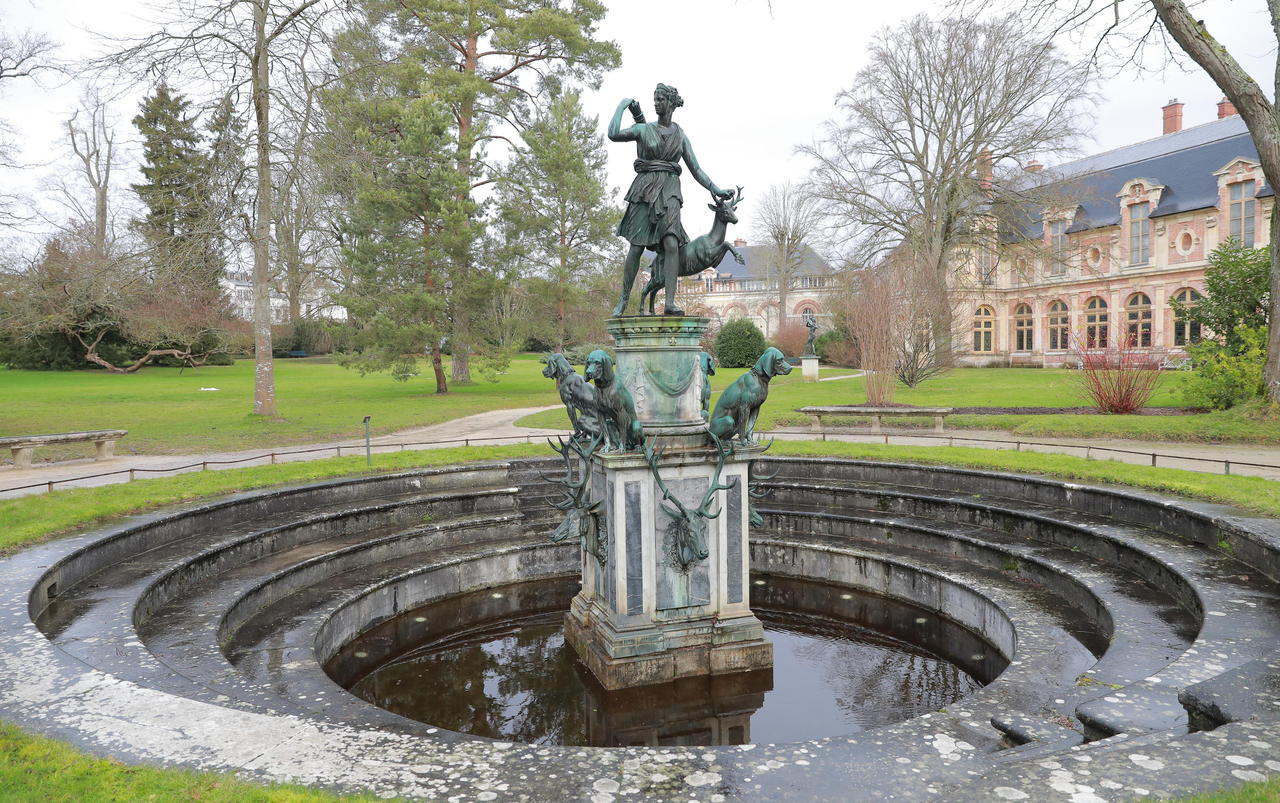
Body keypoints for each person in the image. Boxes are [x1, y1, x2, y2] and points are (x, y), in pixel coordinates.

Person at [608, 83, 733, 316]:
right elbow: (613, 133)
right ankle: (623, 300)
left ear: (671, 103)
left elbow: (696, 169)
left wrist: (716, 188)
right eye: (654, 99)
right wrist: (623, 105)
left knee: (672, 244)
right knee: (635, 247)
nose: (656, 103)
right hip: (644, 190)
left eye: (660, 99)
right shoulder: (644, 129)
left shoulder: (680, 135)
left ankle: (670, 303)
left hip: (670, 191)